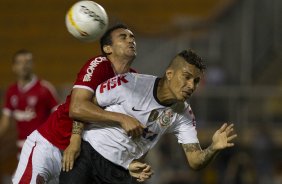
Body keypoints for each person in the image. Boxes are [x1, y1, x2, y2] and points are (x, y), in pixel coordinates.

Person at [59, 49, 237, 184]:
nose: (191, 85)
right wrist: (75, 140)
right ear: (169, 74)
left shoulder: (184, 115)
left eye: (196, 81)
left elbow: (194, 160)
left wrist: (213, 147)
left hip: (123, 171)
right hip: (88, 156)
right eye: (187, 77)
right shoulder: (129, 83)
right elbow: (85, 107)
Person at [12, 24, 146, 184]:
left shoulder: (134, 78)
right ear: (108, 48)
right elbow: (77, 108)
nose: (130, 40)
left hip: (83, 158)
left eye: (132, 37)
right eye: (123, 37)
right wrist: (121, 119)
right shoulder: (100, 64)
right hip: (50, 145)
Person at [0, 49, 58, 157]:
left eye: (27, 62)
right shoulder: (11, 91)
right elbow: (5, 121)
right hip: (22, 147)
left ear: (33, 65)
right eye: (20, 62)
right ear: (14, 67)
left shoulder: (45, 88)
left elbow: (58, 116)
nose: (24, 66)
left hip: (42, 146)